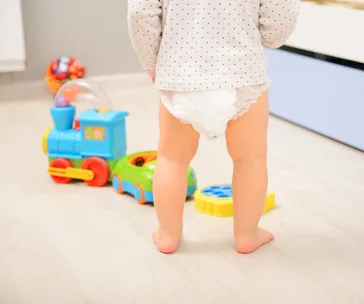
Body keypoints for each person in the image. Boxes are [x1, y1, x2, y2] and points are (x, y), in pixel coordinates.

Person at [128, 0, 300, 254]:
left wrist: (151, 61)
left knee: (172, 159)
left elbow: (140, 13)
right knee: (250, 160)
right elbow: (284, 9)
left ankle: (168, 234)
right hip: (242, 71)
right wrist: (270, 37)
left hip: (180, 72)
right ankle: (247, 234)